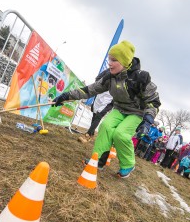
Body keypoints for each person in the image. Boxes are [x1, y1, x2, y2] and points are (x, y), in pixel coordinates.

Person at [52, 40, 161, 178]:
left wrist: (147, 121)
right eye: (110, 59)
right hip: (119, 109)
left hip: (137, 113)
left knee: (120, 134)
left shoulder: (141, 78)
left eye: (114, 60)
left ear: (125, 61)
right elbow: (88, 90)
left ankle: (128, 164)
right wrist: (66, 96)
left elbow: (153, 101)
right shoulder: (109, 77)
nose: (110, 63)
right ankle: (98, 161)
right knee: (106, 126)